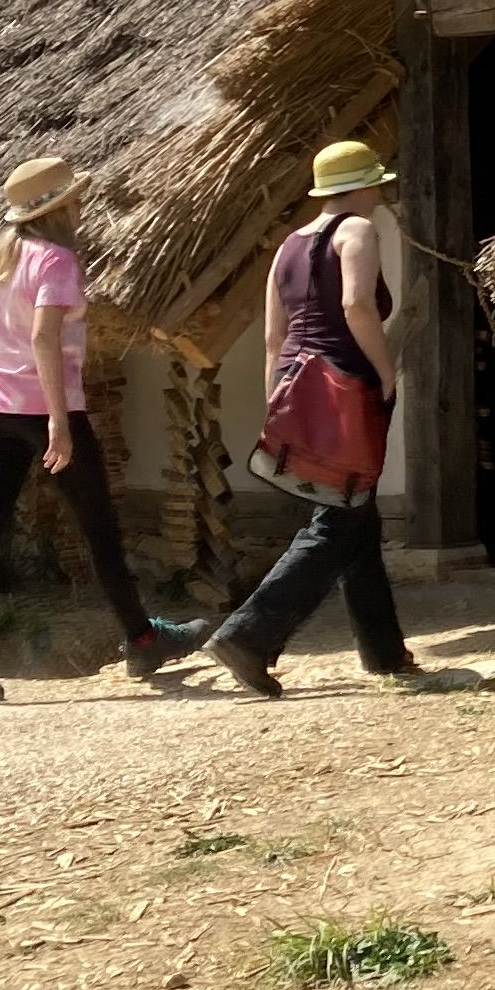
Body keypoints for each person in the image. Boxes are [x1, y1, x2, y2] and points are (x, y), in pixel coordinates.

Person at [0, 156, 202, 707]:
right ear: (59, 210)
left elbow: (1, 334)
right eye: (75, 200)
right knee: (99, 528)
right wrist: (59, 421)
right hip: (47, 409)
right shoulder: (57, 260)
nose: (82, 207)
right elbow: (43, 338)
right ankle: (144, 641)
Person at [204, 140, 416, 695]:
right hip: (346, 384)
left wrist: (275, 400)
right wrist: (386, 371)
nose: (381, 193)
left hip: (298, 382)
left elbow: (274, 338)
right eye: (377, 184)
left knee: (357, 514)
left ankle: (384, 650)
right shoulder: (357, 231)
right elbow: (355, 305)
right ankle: (248, 635)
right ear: (361, 187)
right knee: (340, 518)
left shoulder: (288, 245)